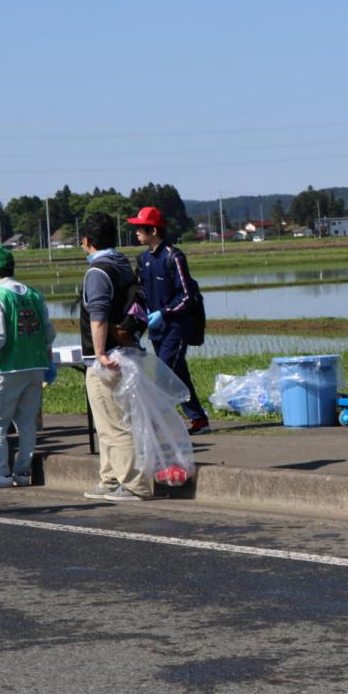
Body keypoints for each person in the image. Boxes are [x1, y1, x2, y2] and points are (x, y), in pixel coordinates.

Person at [0, 245, 57, 488]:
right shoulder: (34, 294)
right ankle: (23, 472)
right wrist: (49, 362)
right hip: (35, 366)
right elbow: (48, 332)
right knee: (26, 421)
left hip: (5, 368)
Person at [79, 212, 153, 502]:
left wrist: (98, 353)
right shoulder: (122, 265)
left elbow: (98, 316)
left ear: (87, 241)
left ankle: (134, 484)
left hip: (107, 358)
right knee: (108, 422)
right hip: (126, 351)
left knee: (115, 423)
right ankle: (110, 478)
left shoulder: (98, 271)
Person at [131, 206, 210, 435]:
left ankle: (158, 424)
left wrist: (164, 313)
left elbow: (186, 295)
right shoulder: (143, 258)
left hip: (176, 325)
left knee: (163, 373)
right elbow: (141, 294)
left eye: (140, 228)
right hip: (156, 328)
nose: (136, 232)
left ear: (153, 230)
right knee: (178, 374)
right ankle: (199, 419)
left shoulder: (174, 256)